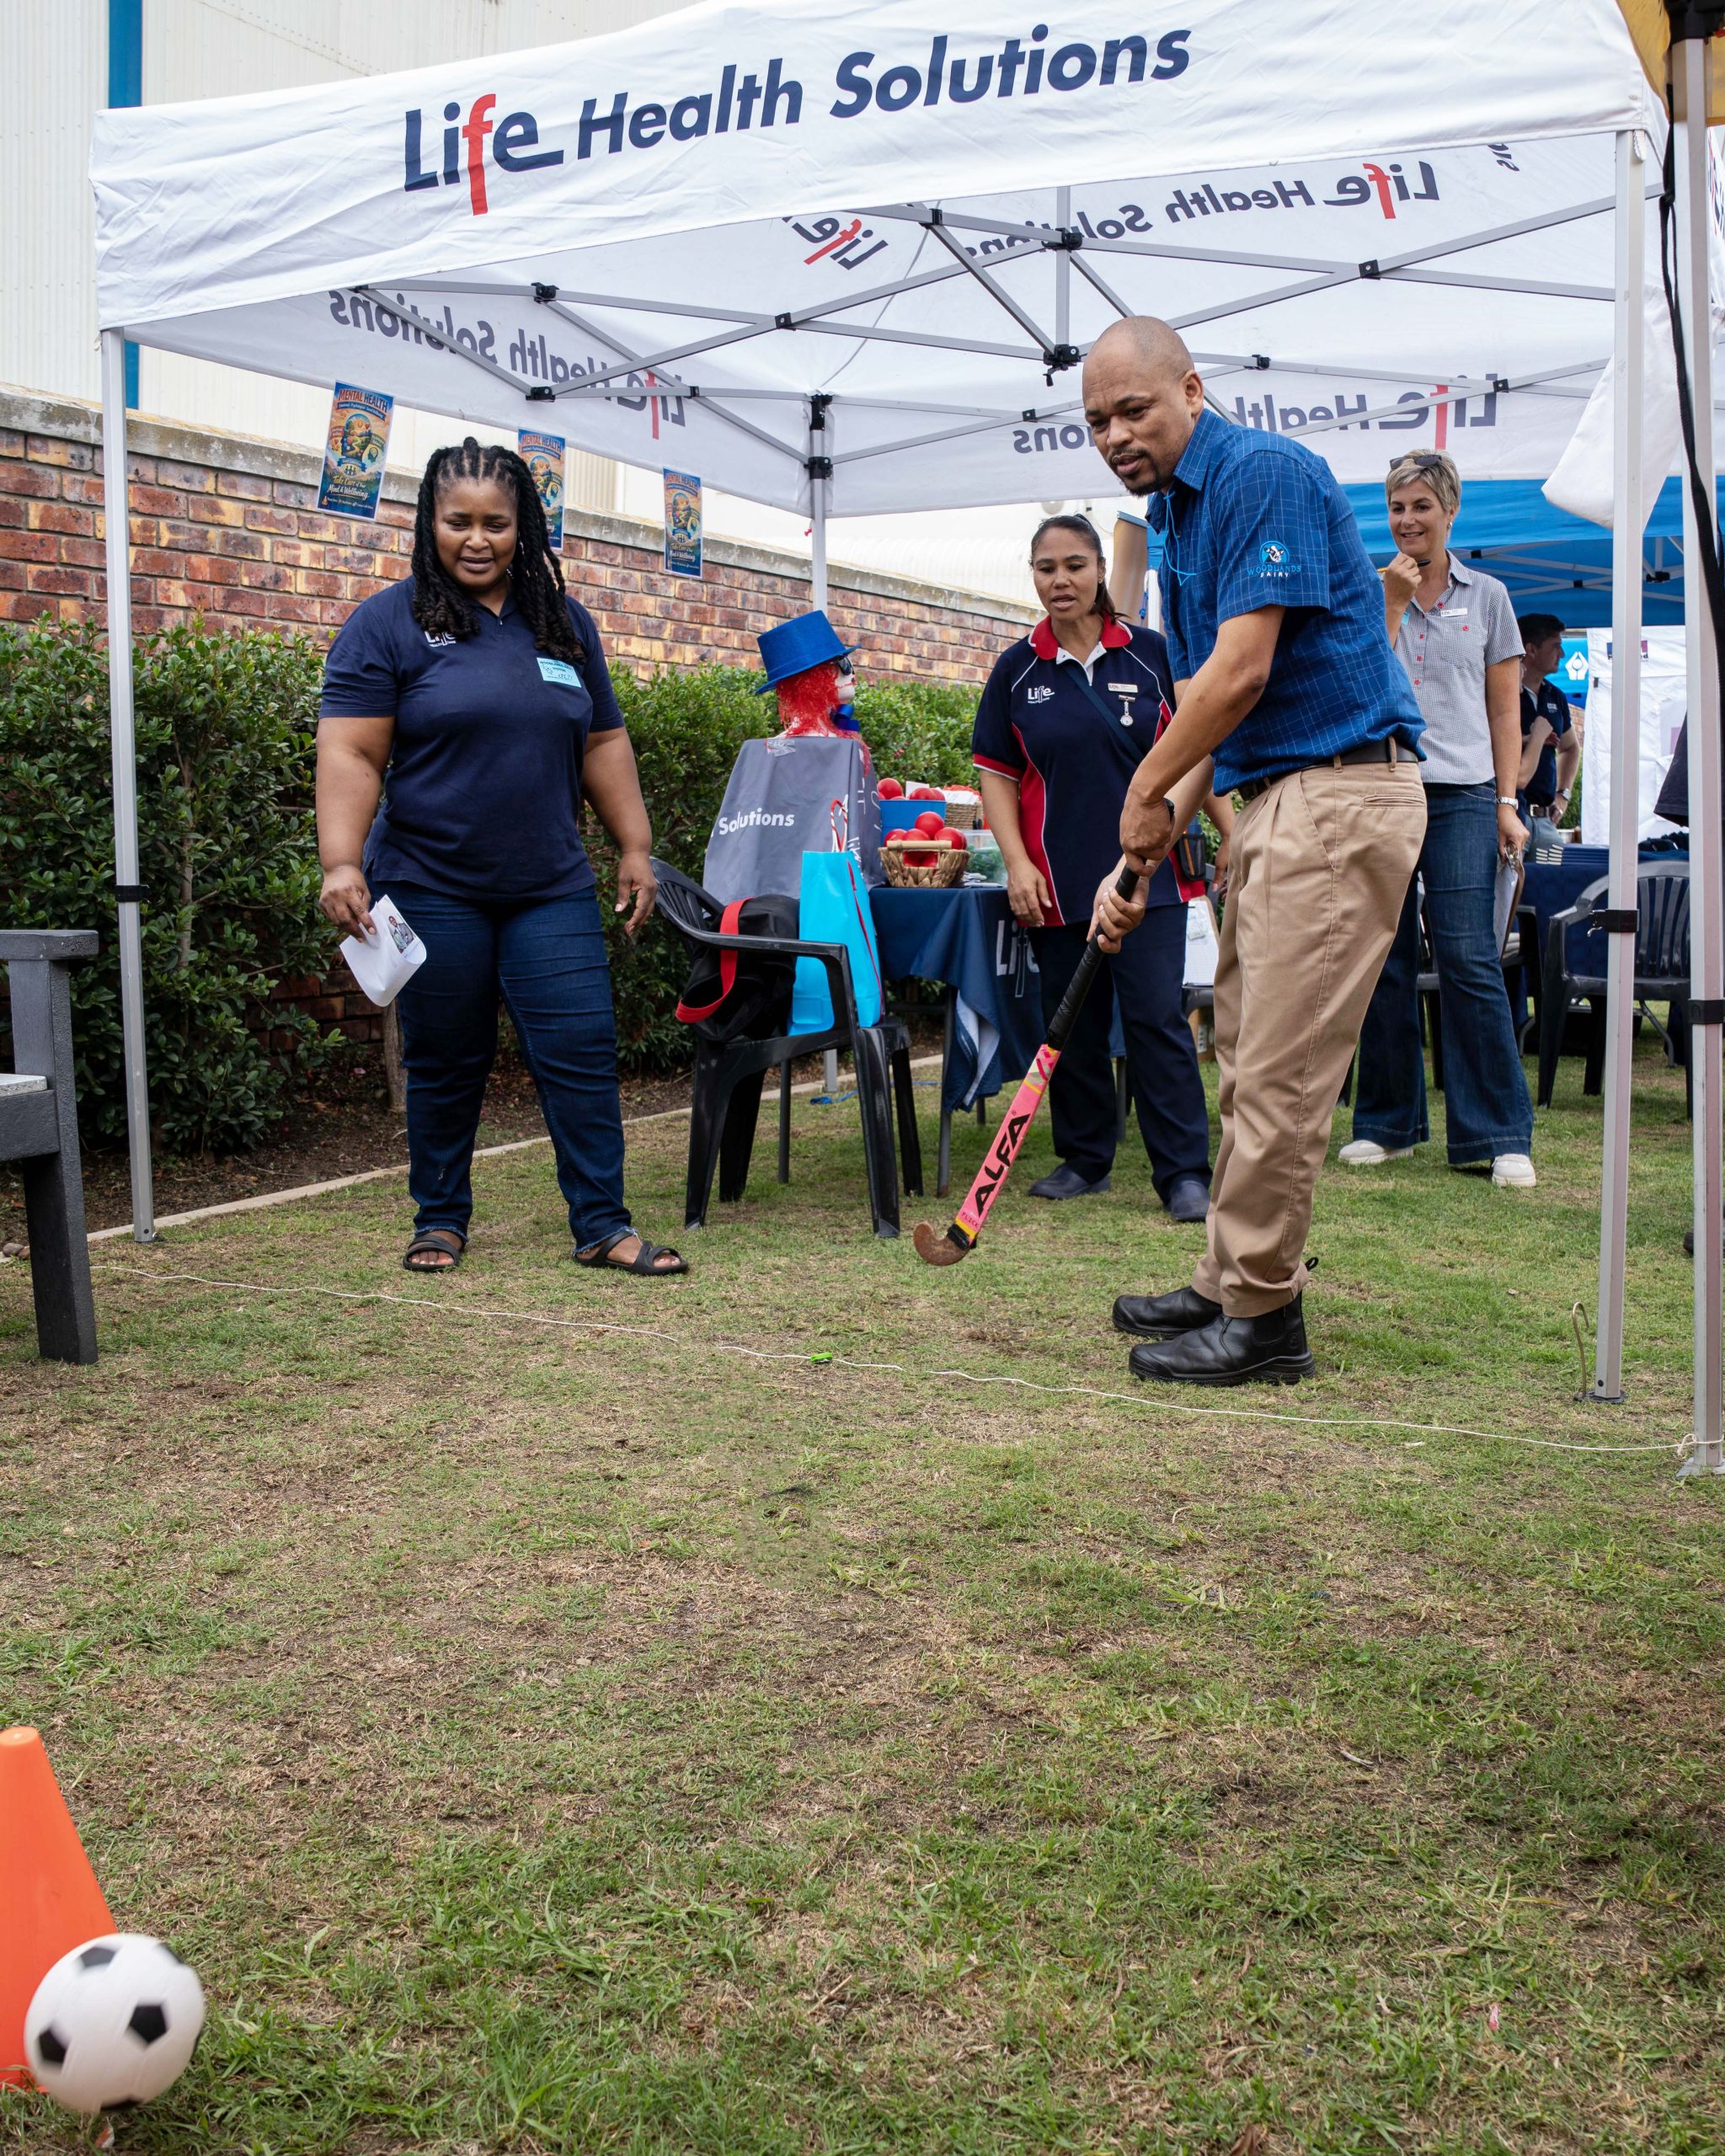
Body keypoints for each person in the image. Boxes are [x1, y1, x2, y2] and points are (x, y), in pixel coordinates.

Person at [1083, 316, 1428, 1386]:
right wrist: (1142, 850)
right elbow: (1206, 703)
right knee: (1244, 1056)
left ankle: (1265, 1319)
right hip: (1282, 797)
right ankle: (1228, 1277)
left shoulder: (1259, 473)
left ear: (1190, 390)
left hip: (1335, 792)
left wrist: (1145, 791)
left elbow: (1238, 674)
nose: (1114, 434)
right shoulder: (1177, 513)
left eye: (1132, 409)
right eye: (1095, 421)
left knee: (1278, 1073)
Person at [316, 436, 686, 1278]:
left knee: (580, 1050)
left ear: (525, 529)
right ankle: (439, 1219)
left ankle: (603, 1224)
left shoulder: (561, 622)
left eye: (496, 523)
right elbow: (351, 751)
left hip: (548, 885)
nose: (477, 540)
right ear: (429, 523)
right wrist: (342, 862)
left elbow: (603, 741)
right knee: (446, 1058)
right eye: (459, 522)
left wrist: (634, 845)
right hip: (430, 882)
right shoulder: (387, 623)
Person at [970, 514, 1212, 1219]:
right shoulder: (1017, 669)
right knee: (1069, 1024)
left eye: (1075, 565)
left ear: (1101, 569)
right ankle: (1085, 1158)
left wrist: (1182, 836)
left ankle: (1183, 1173)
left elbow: (1200, 753)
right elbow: (996, 774)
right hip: (1058, 881)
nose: (1061, 580)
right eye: (1046, 568)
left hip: (1150, 878)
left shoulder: (1153, 654)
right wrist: (1018, 864)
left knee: (1156, 1020)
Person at [1339, 452, 1536, 1186]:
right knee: (1382, 958)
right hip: (1383, 786)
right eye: (1396, 508)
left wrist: (1508, 802)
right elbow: (1357, 684)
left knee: (1468, 957)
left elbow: (1504, 711)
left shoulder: (1489, 597)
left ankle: (1499, 1133)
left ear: (1450, 511)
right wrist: (1390, 602)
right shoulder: (1368, 592)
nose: (1407, 520)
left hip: (1463, 795)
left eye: (1421, 506)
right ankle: (1386, 1125)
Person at [1515, 613, 1580, 827]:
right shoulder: (1502, 695)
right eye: (1555, 647)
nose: (1562, 654)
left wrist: (1563, 794)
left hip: (1545, 819)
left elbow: (1570, 748)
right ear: (1531, 650)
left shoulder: (1556, 696)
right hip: (1509, 813)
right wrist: (1533, 737)